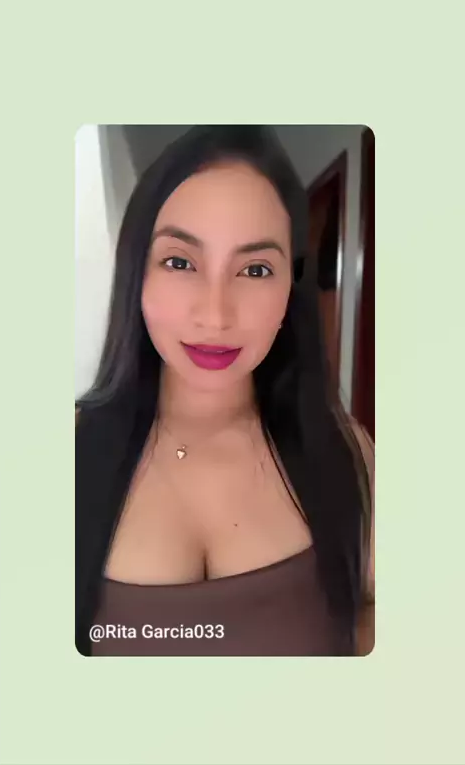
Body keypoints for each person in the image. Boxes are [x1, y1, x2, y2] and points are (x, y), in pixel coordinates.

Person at [75, 125, 374, 657]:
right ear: (137, 273)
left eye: (255, 269)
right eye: (180, 262)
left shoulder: (347, 451)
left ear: (291, 287)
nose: (215, 316)